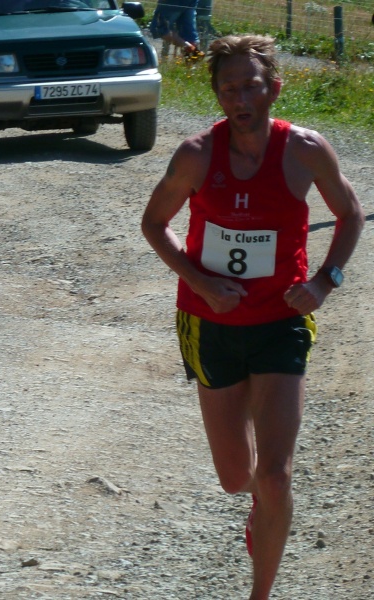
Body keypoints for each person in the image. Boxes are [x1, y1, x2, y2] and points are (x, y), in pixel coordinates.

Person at [141, 35, 363, 599]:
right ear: (217, 95)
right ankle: (258, 510)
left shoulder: (306, 150)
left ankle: (259, 593)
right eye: (229, 87)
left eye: (251, 85)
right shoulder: (196, 155)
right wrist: (201, 280)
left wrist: (324, 281)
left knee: (275, 475)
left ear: (274, 88)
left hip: (280, 322)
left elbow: (350, 212)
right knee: (236, 478)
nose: (241, 97)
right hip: (208, 323)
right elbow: (154, 224)